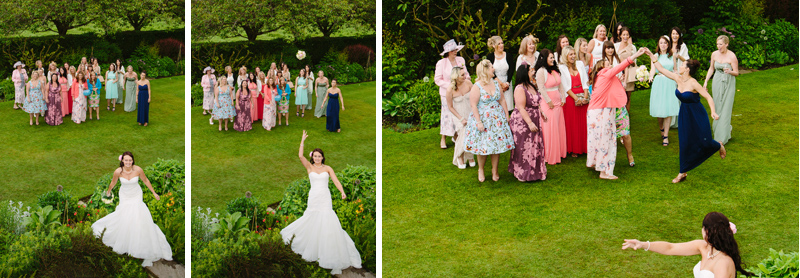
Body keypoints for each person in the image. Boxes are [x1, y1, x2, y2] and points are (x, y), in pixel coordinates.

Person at [281, 131, 362, 275]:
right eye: (315, 156)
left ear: (323, 157)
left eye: (319, 156)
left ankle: (328, 251)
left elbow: (336, 181)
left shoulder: (328, 168)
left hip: (325, 197)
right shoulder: (309, 167)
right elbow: (300, 156)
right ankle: (310, 246)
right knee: (312, 218)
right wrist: (302, 141)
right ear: (312, 157)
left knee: (327, 220)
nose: (317, 158)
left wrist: (342, 191)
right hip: (314, 197)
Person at [648, 50, 726, 183]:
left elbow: (708, 97)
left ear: (688, 70)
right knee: (684, 142)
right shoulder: (678, 78)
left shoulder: (694, 83)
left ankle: (718, 146)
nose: (680, 67)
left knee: (704, 141)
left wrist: (713, 112)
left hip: (697, 114)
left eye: (683, 65)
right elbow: (660, 69)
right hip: (684, 113)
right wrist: (650, 55)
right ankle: (682, 173)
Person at [92, 152, 173, 267]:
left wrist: (154, 193)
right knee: (125, 215)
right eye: (126, 160)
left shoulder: (138, 170)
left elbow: (145, 181)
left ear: (133, 161)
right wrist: (109, 191)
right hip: (124, 196)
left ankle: (139, 242)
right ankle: (125, 239)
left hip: (136, 195)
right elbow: (113, 182)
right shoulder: (118, 172)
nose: (128, 162)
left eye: (130, 160)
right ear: (122, 161)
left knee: (137, 214)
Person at [622, 212, 753, 278]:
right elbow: (670, 248)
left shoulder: (723, 262)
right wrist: (643, 244)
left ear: (707, 231)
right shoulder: (703, 247)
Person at [586, 48, 648, 180]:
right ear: (603, 67)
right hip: (602, 112)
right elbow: (622, 65)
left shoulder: (599, 76)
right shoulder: (605, 72)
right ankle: (605, 172)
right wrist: (636, 54)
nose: (610, 65)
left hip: (594, 112)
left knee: (597, 140)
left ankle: (595, 163)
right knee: (606, 140)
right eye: (608, 64)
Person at [464, 60, 514, 182]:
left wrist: (507, 115)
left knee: (496, 145)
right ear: (485, 70)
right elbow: (473, 105)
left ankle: (494, 170)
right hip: (483, 119)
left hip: (497, 119)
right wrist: (479, 122)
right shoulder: (477, 86)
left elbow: (502, 100)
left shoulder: (496, 84)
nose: (494, 69)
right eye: (492, 67)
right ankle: (481, 169)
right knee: (483, 146)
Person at [508, 64, 547, 181]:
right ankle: (522, 173)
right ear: (524, 72)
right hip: (523, 122)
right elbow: (521, 108)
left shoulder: (531, 86)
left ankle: (537, 172)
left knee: (535, 144)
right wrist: (529, 123)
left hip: (535, 118)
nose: (533, 72)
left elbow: (536, 102)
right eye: (531, 70)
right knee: (524, 146)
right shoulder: (520, 88)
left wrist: (542, 112)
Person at [434, 39, 469, 149]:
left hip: (460, 92)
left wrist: (465, 81)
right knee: (447, 115)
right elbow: (438, 80)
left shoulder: (460, 60)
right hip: (447, 93)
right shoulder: (441, 63)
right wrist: (450, 85)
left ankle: (457, 135)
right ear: (448, 52)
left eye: (456, 50)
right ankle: (443, 138)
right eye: (453, 50)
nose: (455, 52)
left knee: (459, 113)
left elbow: (466, 74)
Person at [704, 35, 738, 145]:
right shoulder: (714, 54)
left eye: (721, 44)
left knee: (726, 107)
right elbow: (711, 68)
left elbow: (737, 73)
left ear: (726, 44)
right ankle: (724, 130)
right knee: (717, 106)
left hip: (728, 82)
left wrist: (730, 71)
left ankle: (721, 137)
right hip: (717, 81)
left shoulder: (732, 56)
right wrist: (705, 82)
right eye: (717, 44)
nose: (719, 47)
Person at [535, 49, 567, 165]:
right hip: (548, 103)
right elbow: (541, 88)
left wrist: (563, 97)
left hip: (558, 103)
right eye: (551, 58)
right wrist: (548, 101)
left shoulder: (554, 71)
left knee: (558, 127)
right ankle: (550, 155)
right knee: (550, 129)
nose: (553, 59)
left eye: (553, 57)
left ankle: (560, 152)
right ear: (544, 59)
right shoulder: (540, 71)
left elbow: (561, 85)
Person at [558, 46, 589, 157]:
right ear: (565, 56)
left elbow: (585, 81)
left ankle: (585, 147)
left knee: (584, 123)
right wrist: (576, 99)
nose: (573, 56)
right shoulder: (561, 67)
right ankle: (574, 149)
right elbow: (565, 86)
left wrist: (585, 97)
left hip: (583, 95)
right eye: (570, 54)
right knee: (573, 124)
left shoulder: (580, 64)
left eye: (573, 54)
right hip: (570, 98)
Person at [649, 35, 680, 146]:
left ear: (668, 45)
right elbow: (653, 69)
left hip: (670, 83)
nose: (663, 45)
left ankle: (666, 136)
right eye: (661, 43)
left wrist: (678, 78)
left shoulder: (672, 56)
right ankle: (661, 127)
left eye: (665, 43)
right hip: (659, 83)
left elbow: (675, 70)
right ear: (658, 44)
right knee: (660, 109)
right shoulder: (655, 56)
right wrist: (650, 76)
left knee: (668, 108)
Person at [445, 66, 475, 169]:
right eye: (462, 75)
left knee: (470, 135)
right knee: (462, 133)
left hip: (470, 112)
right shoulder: (450, 89)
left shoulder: (468, 83)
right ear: (456, 77)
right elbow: (450, 107)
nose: (465, 76)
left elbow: (476, 97)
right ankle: (460, 156)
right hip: (457, 115)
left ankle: (469, 156)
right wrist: (461, 119)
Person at [486, 36, 515, 112]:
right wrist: (500, 84)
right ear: (493, 45)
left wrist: (507, 83)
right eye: (499, 44)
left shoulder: (508, 55)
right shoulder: (490, 57)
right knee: (497, 108)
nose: (501, 45)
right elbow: (489, 71)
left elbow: (511, 70)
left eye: (502, 43)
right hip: (495, 84)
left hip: (507, 84)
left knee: (507, 108)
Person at [615, 27, 638, 111]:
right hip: (618, 72)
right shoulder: (615, 46)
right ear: (620, 35)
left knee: (627, 96)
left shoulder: (633, 47)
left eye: (627, 35)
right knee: (618, 95)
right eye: (623, 34)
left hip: (629, 72)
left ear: (629, 36)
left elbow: (635, 61)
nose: (625, 36)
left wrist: (628, 62)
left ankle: (626, 116)